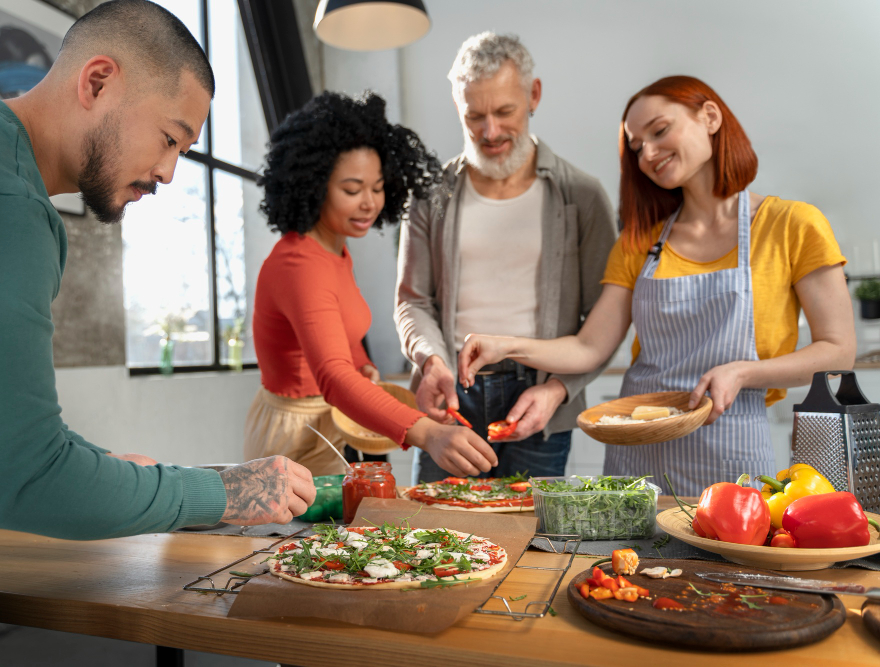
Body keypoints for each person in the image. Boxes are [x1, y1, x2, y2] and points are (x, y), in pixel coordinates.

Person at [0, 2, 313, 664]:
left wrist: (104, 466)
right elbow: (20, 479)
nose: (170, 173)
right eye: (169, 138)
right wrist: (228, 491)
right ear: (98, 81)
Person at [459, 75, 856, 495]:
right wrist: (506, 345)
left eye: (660, 131)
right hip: (637, 452)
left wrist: (743, 372)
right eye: (636, 147)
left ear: (710, 117)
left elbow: (838, 350)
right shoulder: (640, 241)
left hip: (730, 449)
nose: (647, 153)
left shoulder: (793, 225)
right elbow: (589, 346)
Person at [395, 32, 617, 483]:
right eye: (474, 116)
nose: (490, 132)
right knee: (433, 523)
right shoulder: (430, 195)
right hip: (449, 394)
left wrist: (559, 389)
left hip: (539, 395)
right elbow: (412, 301)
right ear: (457, 105)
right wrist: (430, 360)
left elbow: (604, 321)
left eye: (504, 112)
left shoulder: (582, 195)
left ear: (533, 95)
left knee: (531, 525)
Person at [244, 91, 498, 479]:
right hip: (296, 438)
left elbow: (340, 336)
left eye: (377, 188)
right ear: (313, 186)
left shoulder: (335, 250)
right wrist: (429, 434)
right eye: (352, 190)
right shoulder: (300, 264)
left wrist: (363, 365)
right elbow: (333, 377)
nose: (369, 203)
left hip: (329, 424)